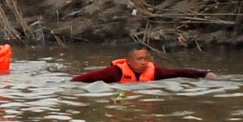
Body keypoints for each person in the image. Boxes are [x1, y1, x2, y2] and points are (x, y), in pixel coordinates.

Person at [71, 44, 216, 83]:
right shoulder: (114, 72)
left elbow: (178, 72)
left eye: (145, 59)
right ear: (128, 60)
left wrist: (203, 73)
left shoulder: (154, 71)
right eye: (139, 59)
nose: (143, 63)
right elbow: (84, 79)